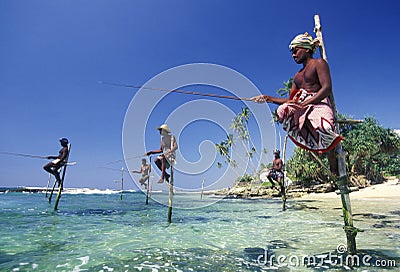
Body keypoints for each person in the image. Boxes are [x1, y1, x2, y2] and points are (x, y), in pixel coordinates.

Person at [252, 32, 342, 175]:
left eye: (295, 50)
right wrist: (268, 98)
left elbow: (326, 88)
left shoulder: (319, 63)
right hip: (301, 105)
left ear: (306, 48)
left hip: (318, 102)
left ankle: (334, 169)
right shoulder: (297, 76)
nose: (293, 55)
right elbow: (291, 101)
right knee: (282, 110)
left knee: (324, 128)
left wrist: (307, 102)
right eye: (292, 52)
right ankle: (311, 137)